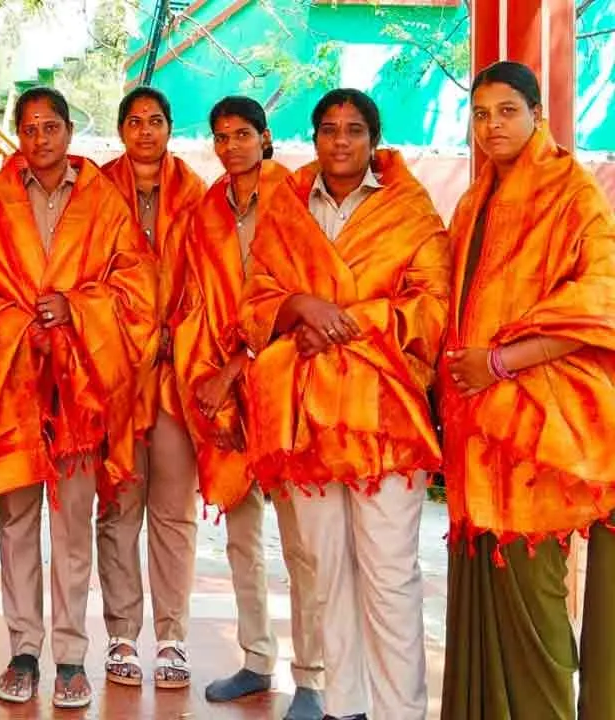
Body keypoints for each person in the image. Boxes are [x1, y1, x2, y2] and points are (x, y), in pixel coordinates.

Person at [239, 88, 449, 720]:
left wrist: (343, 324)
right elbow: (256, 300)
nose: (340, 140)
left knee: (389, 576)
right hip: (307, 417)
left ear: (373, 140)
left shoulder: (409, 208)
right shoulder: (287, 205)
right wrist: (298, 308)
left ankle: (400, 712)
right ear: (314, 137)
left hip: (384, 415)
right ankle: (344, 707)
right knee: (326, 570)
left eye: (354, 129)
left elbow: (432, 306)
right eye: (328, 128)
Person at [0, 86, 158, 709]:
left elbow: (135, 285)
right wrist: (19, 327)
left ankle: (69, 655)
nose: (40, 138)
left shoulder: (102, 199)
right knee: (17, 525)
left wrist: (75, 309)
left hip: (79, 389)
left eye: (51, 127)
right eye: (30, 128)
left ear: (69, 131)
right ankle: (23, 650)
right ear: (19, 135)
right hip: (14, 384)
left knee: (71, 526)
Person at [440, 61, 615, 720]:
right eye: (481, 114)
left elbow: (602, 300)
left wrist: (501, 362)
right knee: (491, 593)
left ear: (538, 115)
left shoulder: (572, 192)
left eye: (507, 111)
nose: (492, 127)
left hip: (545, 430)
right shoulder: (473, 200)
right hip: (479, 432)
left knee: (536, 606)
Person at [190, 96, 326, 720]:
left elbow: (303, 293)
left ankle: (314, 676)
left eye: (243, 134)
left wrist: (240, 366)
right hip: (226, 390)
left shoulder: (295, 197)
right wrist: (214, 385)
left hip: (286, 382)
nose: (232, 147)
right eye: (221, 137)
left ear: (266, 138)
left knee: (302, 543)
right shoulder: (207, 209)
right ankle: (256, 658)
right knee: (242, 538)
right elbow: (197, 300)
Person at [96, 86, 204, 691]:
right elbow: (86, 275)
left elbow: (211, 280)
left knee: (173, 507)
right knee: (118, 503)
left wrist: (176, 334)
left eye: (155, 120)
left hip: (176, 369)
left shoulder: (196, 194)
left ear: (169, 128)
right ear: (121, 130)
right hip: (114, 370)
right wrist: (130, 336)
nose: (144, 131)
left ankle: (171, 636)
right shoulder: (96, 193)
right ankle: (120, 633)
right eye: (134, 121)